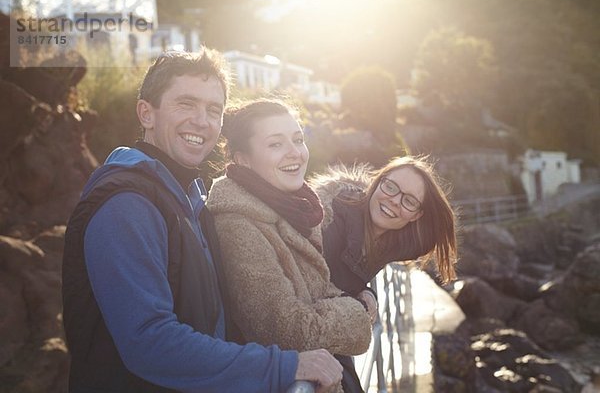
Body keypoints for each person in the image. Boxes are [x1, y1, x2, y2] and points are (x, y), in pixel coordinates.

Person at [61, 49, 343, 393]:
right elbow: (150, 343)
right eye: (186, 104)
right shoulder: (127, 204)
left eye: (214, 110)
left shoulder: (190, 199)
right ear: (146, 113)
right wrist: (284, 366)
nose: (202, 120)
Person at [206, 99, 373, 393]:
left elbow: (316, 291)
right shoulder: (237, 224)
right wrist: (358, 310)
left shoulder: (292, 208)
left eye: (298, 139)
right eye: (275, 144)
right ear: (242, 159)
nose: (295, 152)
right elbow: (285, 329)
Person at [310, 156, 458, 298]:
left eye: (409, 201)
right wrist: (362, 304)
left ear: (416, 216)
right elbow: (315, 293)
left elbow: (428, 237)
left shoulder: (391, 244)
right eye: (391, 187)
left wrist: (365, 291)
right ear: (378, 182)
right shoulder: (330, 223)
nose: (395, 201)